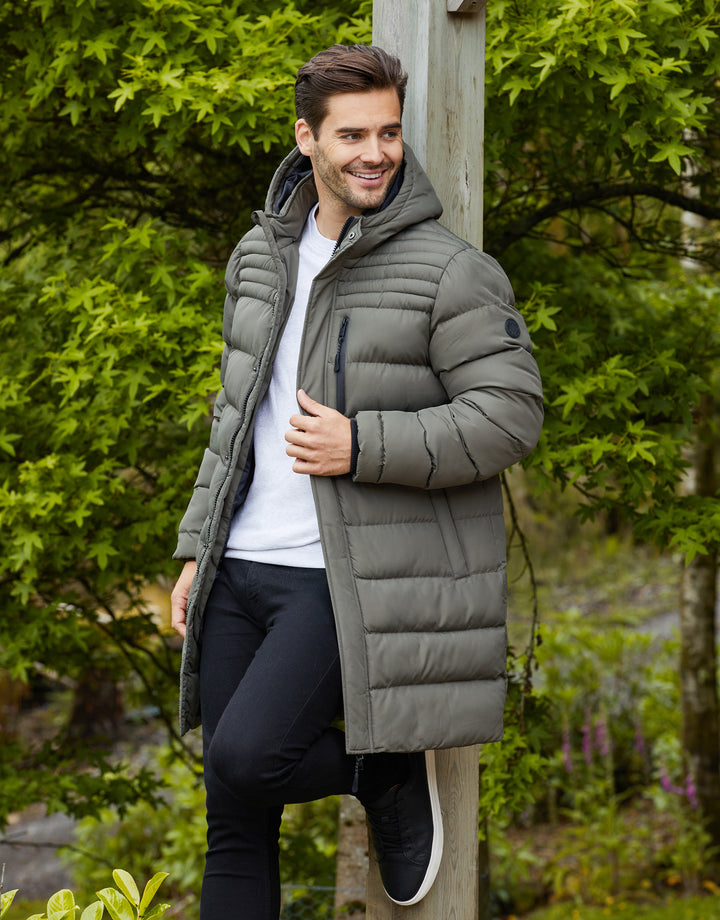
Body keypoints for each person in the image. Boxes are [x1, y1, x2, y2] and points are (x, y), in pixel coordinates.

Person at [170, 43, 543, 920]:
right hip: (238, 566)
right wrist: (195, 548)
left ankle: (383, 772)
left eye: (389, 133)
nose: (376, 153)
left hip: (342, 578)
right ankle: (374, 772)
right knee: (233, 819)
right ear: (307, 138)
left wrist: (361, 443)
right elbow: (235, 419)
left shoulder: (448, 271)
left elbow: (511, 416)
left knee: (246, 757)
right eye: (352, 136)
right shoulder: (259, 257)